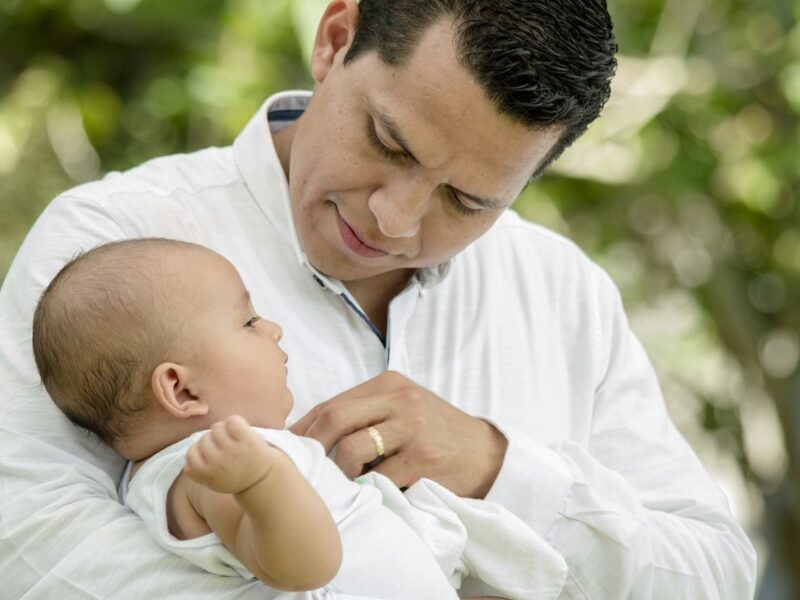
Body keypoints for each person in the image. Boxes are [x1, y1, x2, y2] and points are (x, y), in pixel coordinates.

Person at [0, 0, 756, 598]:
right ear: (334, 39)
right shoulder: (115, 239)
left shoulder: (563, 291)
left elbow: (716, 575)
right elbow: (28, 548)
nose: (395, 219)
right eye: (390, 144)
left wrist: (499, 469)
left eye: (465, 199)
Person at [31, 237, 563, 599]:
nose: (275, 330)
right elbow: (302, 568)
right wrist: (262, 480)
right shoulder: (207, 475)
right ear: (181, 388)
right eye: (248, 320)